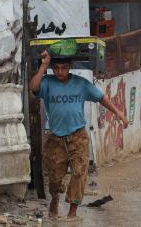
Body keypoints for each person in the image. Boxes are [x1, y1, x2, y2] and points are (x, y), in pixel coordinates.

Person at [29, 51, 129, 220]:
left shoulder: (81, 84)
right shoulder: (47, 82)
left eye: (64, 68)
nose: (60, 72)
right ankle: (55, 199)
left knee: (80, 172)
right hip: (55, 137)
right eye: (57, 68)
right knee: (54, 177)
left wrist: (118, 112)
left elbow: (101, 97)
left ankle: (72, 213)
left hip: (77, 136)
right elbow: (33, 87)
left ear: (70, 68)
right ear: (53, 68)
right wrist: (43, 67)